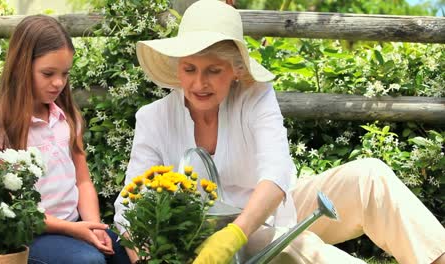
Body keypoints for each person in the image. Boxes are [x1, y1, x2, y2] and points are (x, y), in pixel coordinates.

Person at [113, 0, 445, 263]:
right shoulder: (153, 118)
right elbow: (129, 209)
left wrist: (234, 235)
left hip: (272, 212)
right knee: (290, 244)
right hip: (208, 241)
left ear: (237, 71)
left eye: (214, 70)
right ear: (177, 67)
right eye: (189, 69)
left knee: (370, 176)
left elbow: (275, 177)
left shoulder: (256, 96)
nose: (199, 83)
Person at [0, 15, 131, 264]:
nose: (58, 82)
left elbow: (82, 181)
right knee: (87, 262)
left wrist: (94, 226)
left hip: (75, 225)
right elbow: (7, 205)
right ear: (21, 67)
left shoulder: (67, 118)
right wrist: (75, 230)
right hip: (30, 235)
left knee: (127, 250)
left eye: (65, 73)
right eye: (48, 73)